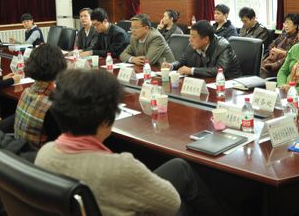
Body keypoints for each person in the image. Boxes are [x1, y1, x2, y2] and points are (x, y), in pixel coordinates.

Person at [35, 68, 224, 216]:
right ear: (106, 119)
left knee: (178, 167)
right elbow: (172, 204)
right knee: (186, 199)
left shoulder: (45, 153)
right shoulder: (121, 167)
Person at [14, 43, 65, 149]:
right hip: (39, 156)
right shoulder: (50, 106)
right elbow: (61, 142)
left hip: (18, 151)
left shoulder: (26, 92)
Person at [166, 20, 242, 79]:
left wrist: (192, 71)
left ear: (206, 39)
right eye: (190, 36)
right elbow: (182, 61)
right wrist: (172, 65)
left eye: (193, 37)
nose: (190, 40)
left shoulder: (223, 46)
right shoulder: (192, 45)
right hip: (206, 82)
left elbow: (219, 70)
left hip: (229, 83)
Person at [260, 13, 299, 78]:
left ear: (295, 25)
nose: (285, 26)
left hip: (284, 63)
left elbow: (294, 54)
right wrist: (273, 50)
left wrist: (280, 52)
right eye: (285, 23)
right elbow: (272, 45)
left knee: (263, 71)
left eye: (288, 23)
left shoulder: (298, 37)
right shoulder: (284, 34)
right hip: (273, 59)